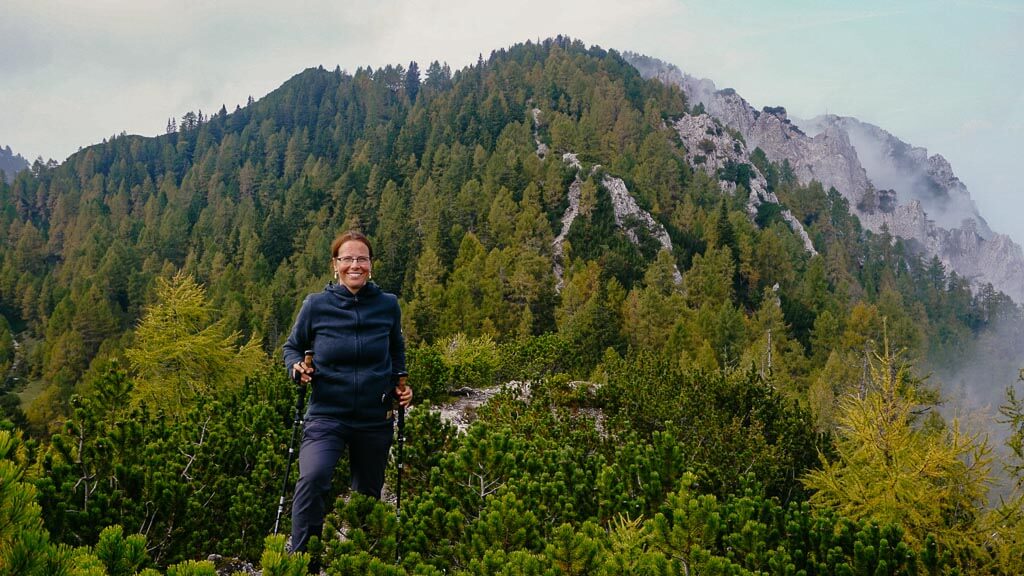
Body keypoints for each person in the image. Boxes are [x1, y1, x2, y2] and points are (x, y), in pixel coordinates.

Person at [283, 230, 412, 554]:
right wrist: (297, 367)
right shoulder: (316, 305)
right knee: (312, 480)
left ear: (371, 264)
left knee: (368, 494)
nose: (355, 264)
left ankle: (361, 561)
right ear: (335, 265)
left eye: (362, 258)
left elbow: (397, 350)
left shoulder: (387, 305)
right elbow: (293, 347)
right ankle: (303, 563)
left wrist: (402, 386)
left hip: (374, 416)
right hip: (327, 414)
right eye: (348, 258)